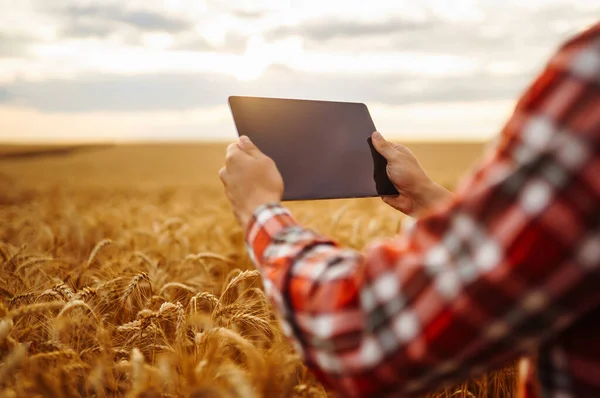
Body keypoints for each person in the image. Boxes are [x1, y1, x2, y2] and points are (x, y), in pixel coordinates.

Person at [219, 22, 600, 398]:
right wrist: (427, 198)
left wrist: (260, 212)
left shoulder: (590, 73)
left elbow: (369, 337)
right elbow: (544, 250)